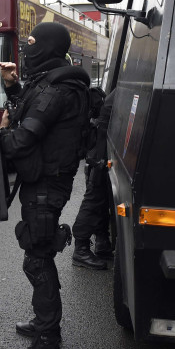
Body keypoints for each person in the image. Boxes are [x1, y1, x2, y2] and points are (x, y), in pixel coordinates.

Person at [0, 22, 90, 349]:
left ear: (49, 47)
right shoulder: (53, 82)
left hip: (47, 184)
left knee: (37, 258)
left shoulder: (59, 90)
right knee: (36, 255)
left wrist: (0, 134)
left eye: (33, 43)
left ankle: (48, 341)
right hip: (45, 178)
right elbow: (30, 108)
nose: (26, 49)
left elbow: (23, 138)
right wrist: (13, 87)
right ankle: (44, 322)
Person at [71, 89, 116, 269]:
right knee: (94, 199)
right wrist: (100, 159)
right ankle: (80, 249)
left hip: (99, 155)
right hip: (99, 156)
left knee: (101, 198)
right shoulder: (118, 94)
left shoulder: (114, 94)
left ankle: (101, 242)